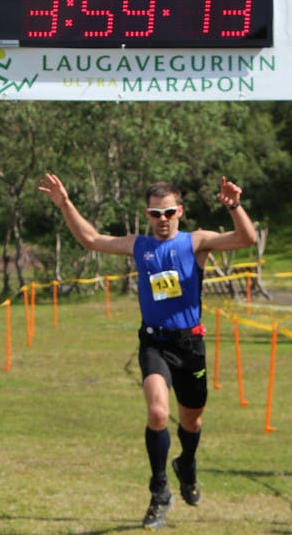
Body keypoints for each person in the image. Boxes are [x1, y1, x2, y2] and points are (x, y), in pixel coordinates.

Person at [38, 173, 257, 531]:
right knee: (158, 413)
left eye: (169, 212)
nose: (163, 219)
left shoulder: (196, 241)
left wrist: (233, 206)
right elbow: (91, 239)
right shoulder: (139, 246)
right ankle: (159, 491)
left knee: (192, 421)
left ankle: (186, 464)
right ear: (148, 215)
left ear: (180, 212)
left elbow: (246, 239)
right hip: (155, 343)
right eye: (156, 214)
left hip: (190, 345)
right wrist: (65, 204)